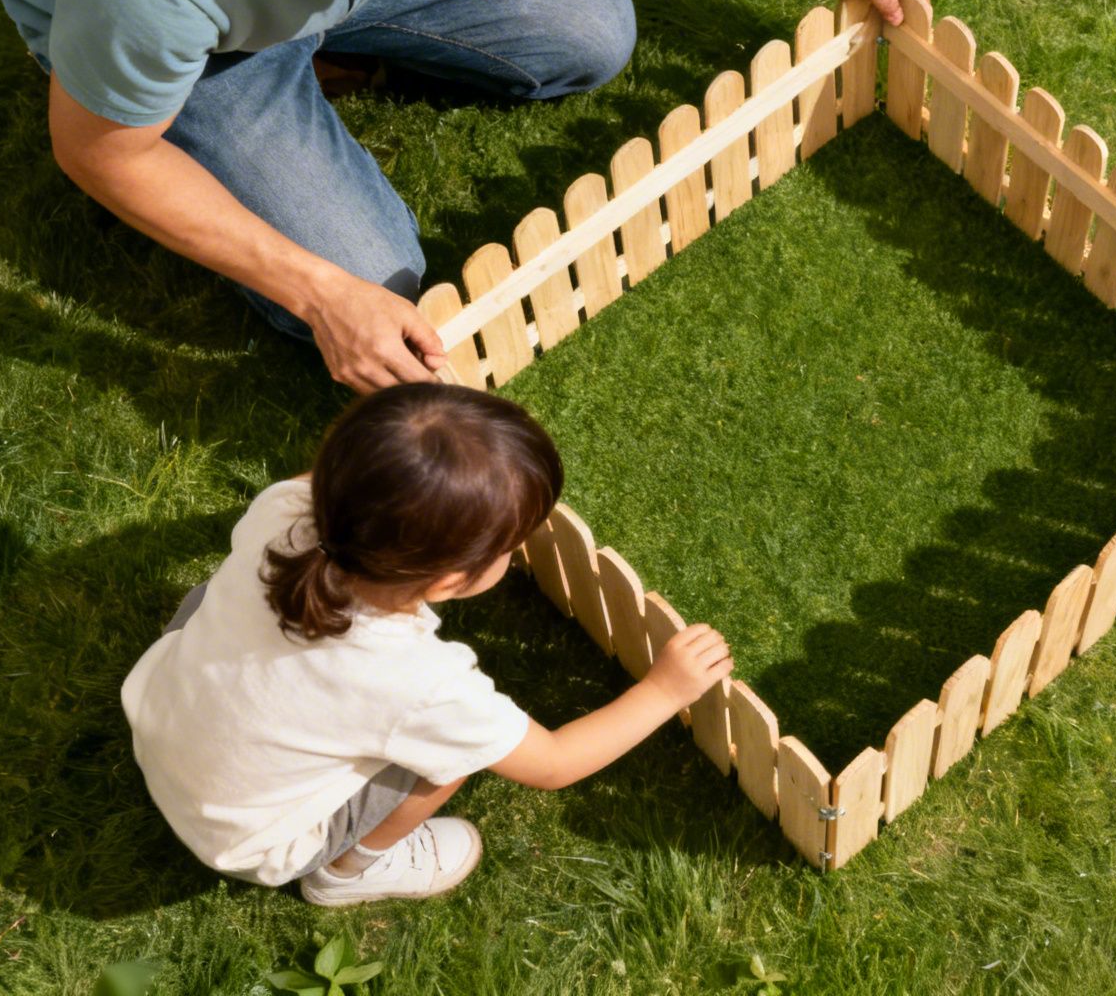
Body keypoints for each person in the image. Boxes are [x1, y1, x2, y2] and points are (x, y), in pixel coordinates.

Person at [0, 0, 931, 394]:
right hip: (204, 49)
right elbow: (101, 149)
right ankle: (280, 90)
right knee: (376, 282)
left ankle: (331, 52)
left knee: (588, 28)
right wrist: (321, 296)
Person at [121, 383, 734, 905]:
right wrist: (664, 690)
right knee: (449, 758)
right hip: (249, 836)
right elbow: (553, 764)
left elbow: (360, 473)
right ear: (448, 581)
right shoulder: (422, 686)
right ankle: (346, 873)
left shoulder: (287, 509)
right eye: (508, 544)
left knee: (211, 596)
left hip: (158, 714)